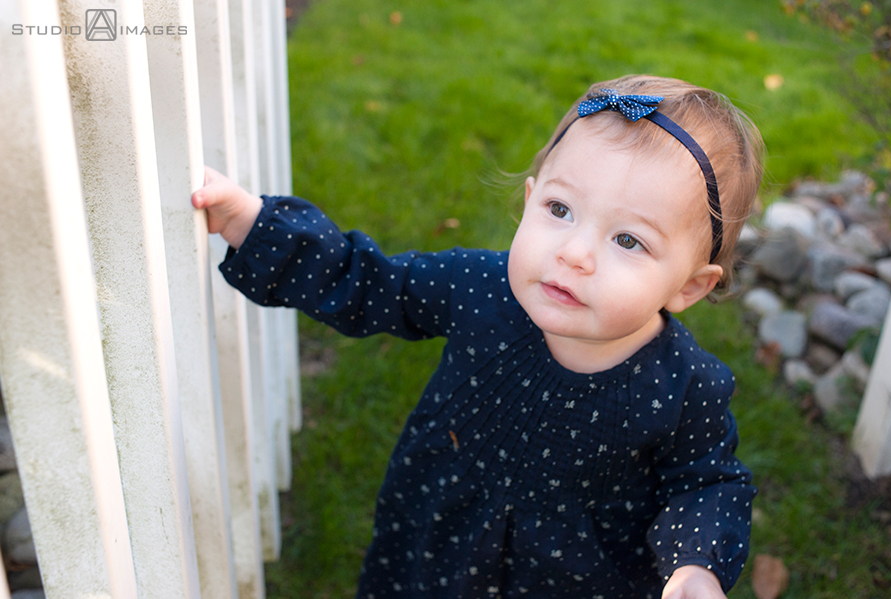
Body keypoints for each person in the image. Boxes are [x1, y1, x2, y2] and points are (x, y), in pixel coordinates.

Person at [192, 74, 765, 599]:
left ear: (688, 287)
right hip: (437, 536)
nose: (574, 253)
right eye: (560, 209)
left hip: (575, 579)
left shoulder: (683, 387)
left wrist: (697, 564)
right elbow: (369, 282)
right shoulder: (480, 289)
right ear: (529, 201)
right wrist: (254, 223)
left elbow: (707, 481)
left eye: (628, 241)